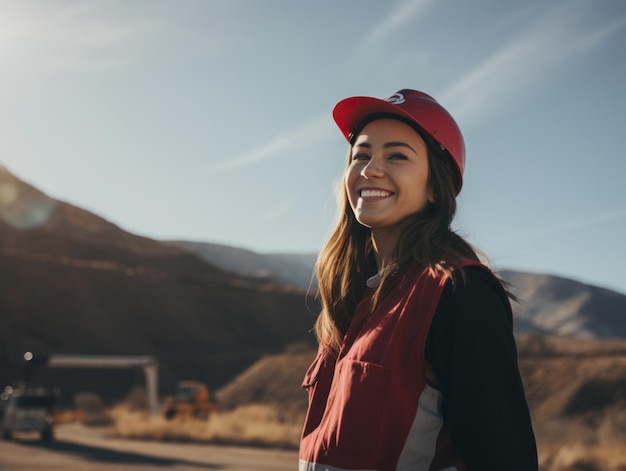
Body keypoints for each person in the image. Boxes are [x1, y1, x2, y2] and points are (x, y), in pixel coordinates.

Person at [299, 89, 538, 471]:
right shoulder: (354, 299)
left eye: (396, 156)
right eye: (361, 155)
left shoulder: (459, 293)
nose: (370, 169)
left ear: (433, 187)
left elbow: (505, 458)